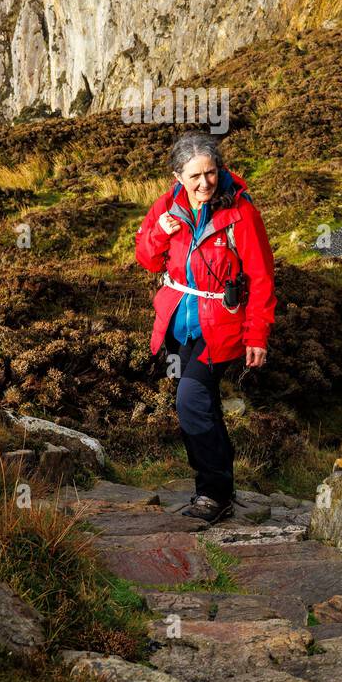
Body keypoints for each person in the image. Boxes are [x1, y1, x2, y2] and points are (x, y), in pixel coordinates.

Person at [134, 131, 277, 523]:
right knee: (204, 403)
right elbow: (146, 259)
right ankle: (220, 486)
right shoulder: (166, 207)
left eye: (211, 173)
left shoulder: (241, 213)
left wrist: (257, 335)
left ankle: (212, 494)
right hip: (177, 326)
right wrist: (160, 232)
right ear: (177, 175)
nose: (205, 184)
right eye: (195, 176)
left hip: (221, 327)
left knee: (191, 399)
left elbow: (262, 277)